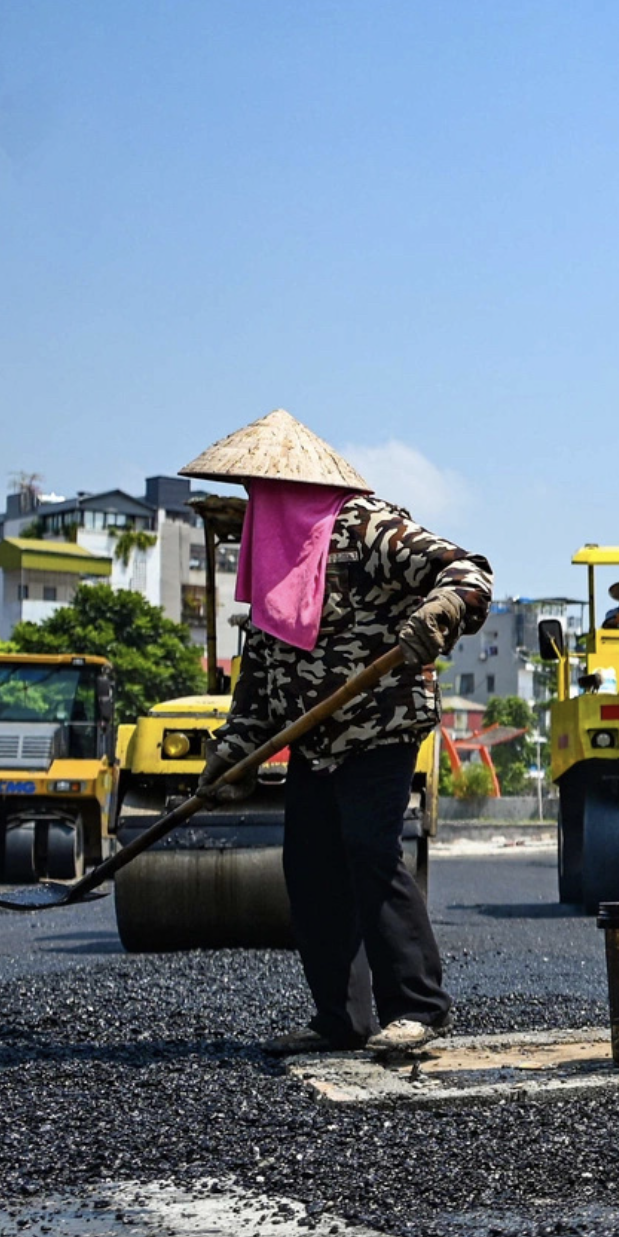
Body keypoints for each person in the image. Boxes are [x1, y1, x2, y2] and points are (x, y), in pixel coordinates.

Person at [187, 409, 493, 1055]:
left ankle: (418, 1010)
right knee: (310, 868)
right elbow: (262, 675)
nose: (252, 504)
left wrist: (439, 609)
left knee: (370, 854)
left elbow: (466, 571)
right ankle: (340, 1019)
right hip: (315, 736)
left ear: (287, 486)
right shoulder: (273, 556)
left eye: (258, 491)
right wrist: (233, 752)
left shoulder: (368, 526)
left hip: (380, 722)